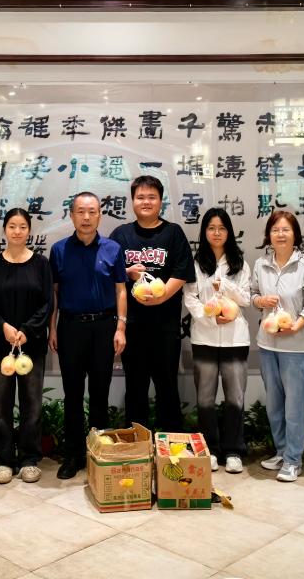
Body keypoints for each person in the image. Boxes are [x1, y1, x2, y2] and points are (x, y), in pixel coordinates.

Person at [49, 192, 127, 480]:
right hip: (70, 328)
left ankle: (99, 453)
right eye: (80, 211)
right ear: (71, 215)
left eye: (92, 211)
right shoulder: (58, 250)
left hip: (104, 327)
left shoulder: (113, 249)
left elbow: (121, 290)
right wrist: (52, 328)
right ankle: (72, 455)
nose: (86, 217)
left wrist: (121, 327)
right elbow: (54, 293)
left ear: (100, 215)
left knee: (99, 392)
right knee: (72, 394)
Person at [109, 175, 195, 432]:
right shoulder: (121, 234)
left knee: (167, 387)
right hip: (132, 327)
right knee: (135, 388)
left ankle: (171, 446)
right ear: (132, 201)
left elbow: (181, 272)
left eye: (151, 197)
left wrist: (159, 296)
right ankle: (137, 444)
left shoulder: (173, 233)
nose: (146, 202)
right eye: (140, 197)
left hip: (165, 327)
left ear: (161, 201)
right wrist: (127, 273)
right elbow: (109, 273)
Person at [0, 208, 53, 485]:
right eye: (12, 226)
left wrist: (26, 331)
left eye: (23, 226)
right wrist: (3, 327)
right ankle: (3, 461)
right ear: (4, 230)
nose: (17, 231)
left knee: (31, 405)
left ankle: (29, 459)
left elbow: (47, 304)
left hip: (31, 346)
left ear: (29, 231)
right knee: (1, 406)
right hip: (0, 347)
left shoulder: (41, 264)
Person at [250, 210, 304, 483]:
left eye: (286, 230)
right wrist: (260, 301)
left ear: (295, 235)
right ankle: (281, 451)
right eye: (275, 230)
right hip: (268, 345)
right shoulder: (261, 264)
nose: (280, 234)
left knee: (294, 407)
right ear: (269, 235)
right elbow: (253, 294)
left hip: (297, 347)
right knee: (274, 405)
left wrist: (296, 326)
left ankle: (293, 459)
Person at [183, 208, 251, 474]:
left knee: (235, 397)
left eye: (222, 228)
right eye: (211, 228)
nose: (217, 233)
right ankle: (209, 449)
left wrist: (225, 285)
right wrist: (210, 319)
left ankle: (234, 450)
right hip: (204, 337)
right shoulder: (196, 262)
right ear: (204, 232)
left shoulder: (240, 263)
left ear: (229, 232)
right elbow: (190, 298)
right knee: (205, 398)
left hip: (235, 339)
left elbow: (246, 299)